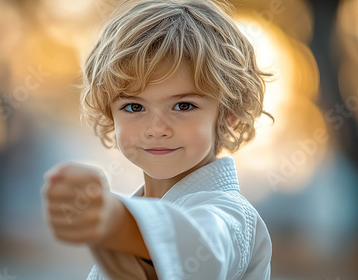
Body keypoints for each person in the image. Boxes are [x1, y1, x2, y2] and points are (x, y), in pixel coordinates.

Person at [41, 0, 274, 279]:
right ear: (109, 114)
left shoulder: (232, 217)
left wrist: (114, 220)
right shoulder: (136, 215)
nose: (156, 128)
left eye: (183, 106)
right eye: (135, 107)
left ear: (229, 114)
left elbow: (203, 249)